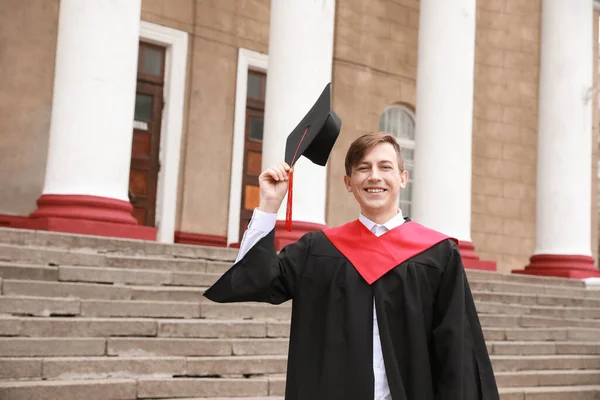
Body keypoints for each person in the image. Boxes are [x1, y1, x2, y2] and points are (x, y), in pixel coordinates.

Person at [204, 133, 499, 398]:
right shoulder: (318, 250)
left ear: (403, 178)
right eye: (363, 168)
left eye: (385, 167)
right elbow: (256, 280)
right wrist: (268, 205)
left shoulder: (437, 255)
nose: (374, 177)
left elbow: (457, 350)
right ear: (348, 183)